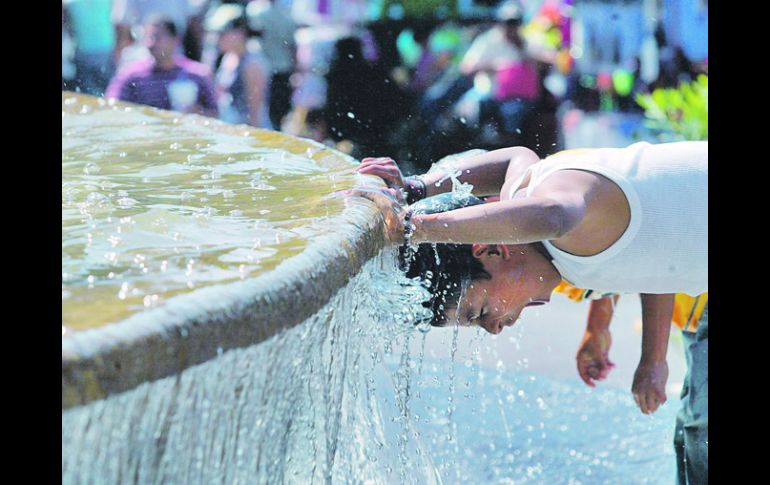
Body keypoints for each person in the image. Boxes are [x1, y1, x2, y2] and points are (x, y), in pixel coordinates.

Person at [352, 142, 706, 457]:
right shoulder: (534, 211)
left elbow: (553, 215)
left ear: (492, 248)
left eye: (479, 312)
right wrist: (417, 187)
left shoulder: (560, 218)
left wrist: (416, 227)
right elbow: (656, 260)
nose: (493, 329)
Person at [105, 15, 218, 117]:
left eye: (157, 37)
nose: (150, 44)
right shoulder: (131, 75)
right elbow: (112, 107)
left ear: (176, 40)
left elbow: (216, 114)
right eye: (147, 38)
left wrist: (198, 112)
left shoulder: (197, 74)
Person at [212, 14, 272, 128]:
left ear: (240, 33)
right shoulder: (228, 57)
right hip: (231, 126)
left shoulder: (252, 64)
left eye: (222, 34)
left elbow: (255, 112)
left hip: (248, 129)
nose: (218, 38)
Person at [246, 0, 297, 130]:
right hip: (283, 69)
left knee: (261, 111)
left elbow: (252, 38)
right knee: (278, 115)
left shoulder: (255, 11)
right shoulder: (287, 14)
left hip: (263, 69)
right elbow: (292, 46)